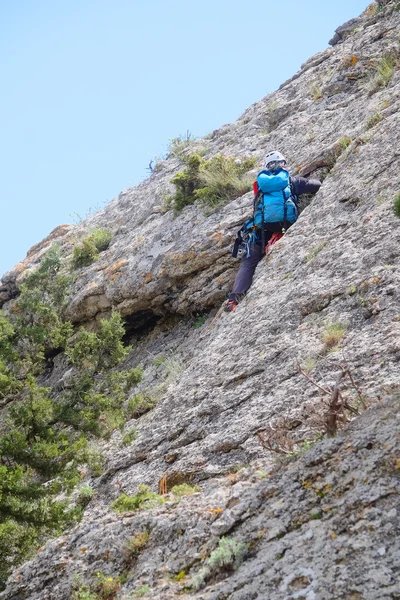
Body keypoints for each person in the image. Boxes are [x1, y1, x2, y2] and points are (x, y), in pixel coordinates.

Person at [224, 150, 321, 312]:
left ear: (267, 167)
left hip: (262, 229)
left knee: (249, 261)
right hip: (286, 224)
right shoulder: (291, 181)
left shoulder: (260, 186)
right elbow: (316, 186)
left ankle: (233, 299)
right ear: (283, 164)